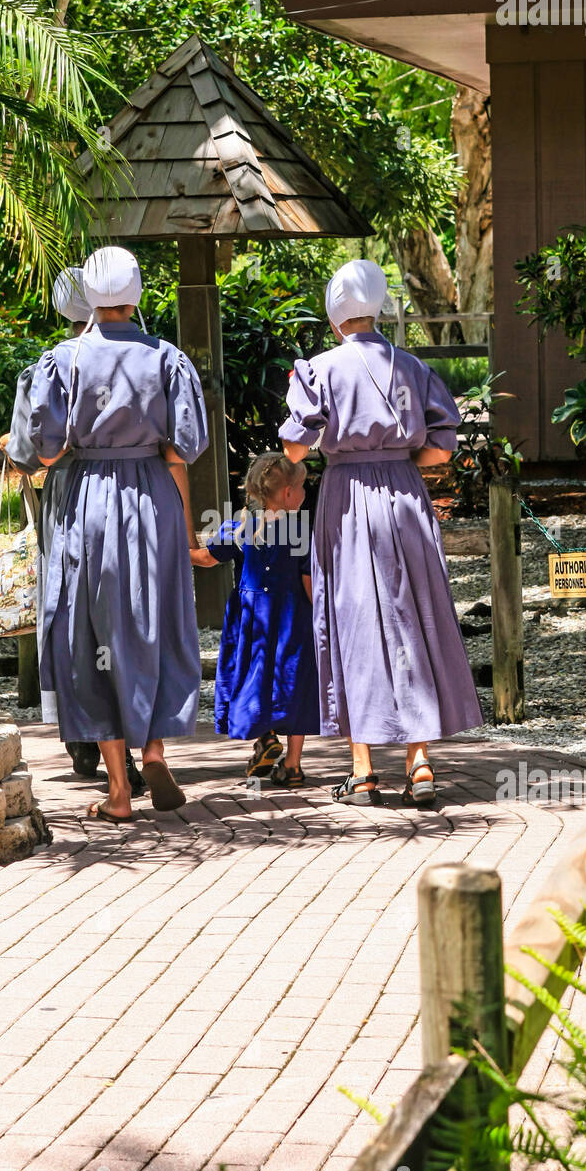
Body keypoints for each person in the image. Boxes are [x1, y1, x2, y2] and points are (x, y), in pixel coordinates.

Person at [279, 259, 482, 807]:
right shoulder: (413, 367)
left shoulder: (318, 369)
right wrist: (398, 454)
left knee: (354, 622)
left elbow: (296, 448)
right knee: (411, 616)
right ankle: (419, 762)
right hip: (407, 495)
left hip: (346, 497)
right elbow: (442, 447)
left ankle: (363, 768)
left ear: (335, 312)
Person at [28, 245, 208, 822]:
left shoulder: (63, 360)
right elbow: (186, 445)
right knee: (151, 620)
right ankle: (154, 748)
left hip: (86, 502)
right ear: (134, 294)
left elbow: (45, 448)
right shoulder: (167, 358)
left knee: (91, 635)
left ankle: (118, 792)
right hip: (152, 496)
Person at [0, 267, 146, 796]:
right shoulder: (150, 356)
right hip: (139, 499)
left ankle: (91, 739)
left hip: (74, 504)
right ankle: (137, 739)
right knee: (129, 612)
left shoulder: (50, 369)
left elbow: (28, 452)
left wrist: (13, 449)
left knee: (78, 615)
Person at [191, 452, 319, 788]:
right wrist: (322, 616)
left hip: (251, 621)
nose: (306, 493)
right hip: (292, 618)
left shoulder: (239, 525)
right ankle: (292, 765)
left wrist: (178, 548)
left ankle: (265, 736)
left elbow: (205, 558)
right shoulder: (302, 532)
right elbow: (309, 582)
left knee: (253, 676)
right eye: (302, 486)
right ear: (289, 493)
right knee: (294, 683)